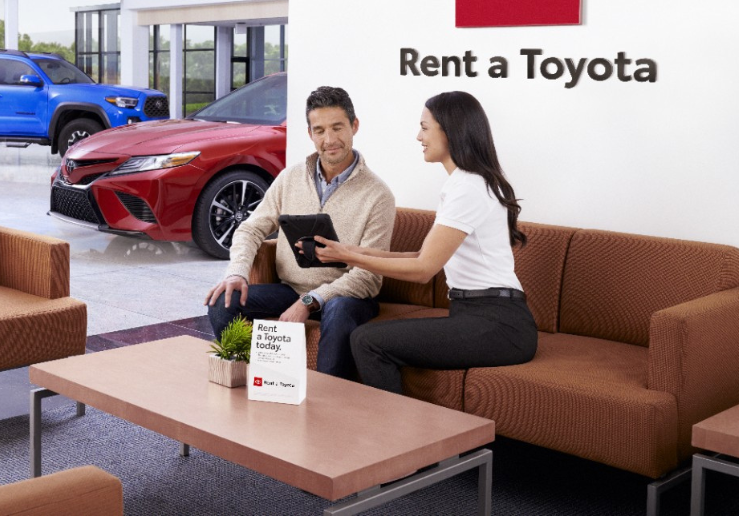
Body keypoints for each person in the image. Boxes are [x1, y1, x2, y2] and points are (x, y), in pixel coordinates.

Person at [313, 90, 537, 395]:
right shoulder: (462, 183)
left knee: (367, 341)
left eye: (425, 127)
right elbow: (421, 253)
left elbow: (423, 269)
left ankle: (395, 440)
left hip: (499, 324)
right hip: (478, 315)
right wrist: (349, 252)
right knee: (369, 339)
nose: (419, 136)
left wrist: (351, 257)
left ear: (450, 130)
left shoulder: (468, 187)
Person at [204, 86, 395, 380]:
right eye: (319, 130)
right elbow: (251, 228)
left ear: (354, 126)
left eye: (337, 128)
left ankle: (328, 403)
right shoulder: (291, 177)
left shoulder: (378, 195)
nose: (329, 140)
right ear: (310, 134)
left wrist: (311, 301)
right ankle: (255, 383)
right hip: (290, 289)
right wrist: (238, 272)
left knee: (340, 310)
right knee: (223, 301)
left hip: (347, 297)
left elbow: (368, 278)